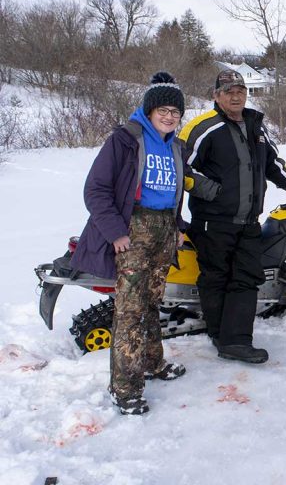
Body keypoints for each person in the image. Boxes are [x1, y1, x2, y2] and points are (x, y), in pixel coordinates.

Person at [71, 72, 188, 415]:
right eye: (164, 110)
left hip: (163, 230)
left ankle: (153, 363)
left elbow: (174, 192)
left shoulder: (176, 147)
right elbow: (96, 189)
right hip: (132, 231)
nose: (169, 117)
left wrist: (177, 225)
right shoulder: (124, 141)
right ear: (149, 110)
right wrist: (115, 232)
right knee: (129, 312)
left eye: (176, 112)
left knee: (153, 303)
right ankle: (124, 389)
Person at [180, 69, 286, 364]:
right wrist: (211, 190)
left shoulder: (256, 127)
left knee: (245, 279)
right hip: (212, 221)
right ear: (216, 96)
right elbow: (181, 168)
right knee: (216, 278)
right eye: (228, 91)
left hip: (248, 221)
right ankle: (221, 336)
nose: (235, 95)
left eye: (240, 90)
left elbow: (273, 166)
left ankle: (236, 341)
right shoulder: (202, 127)